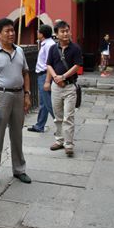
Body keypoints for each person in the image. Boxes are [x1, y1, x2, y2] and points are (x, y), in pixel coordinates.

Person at [0, 18, 31, 189]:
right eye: (7, 31)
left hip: (18, 95)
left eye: (12, 30)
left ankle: (19, 169)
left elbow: (25, 73)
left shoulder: (19, 51)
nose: (11, 34)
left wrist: (27, 94)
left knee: (17, 135)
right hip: (0, 95)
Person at [45, 21, 83, 157]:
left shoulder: (75, 48)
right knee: (58, 116)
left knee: (69, 116)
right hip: (56, 87)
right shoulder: (53, 49)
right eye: (62, 31)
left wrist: (63, 76)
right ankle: (59, 140)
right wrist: (54, 77)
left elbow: (77, 65)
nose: (65, 33)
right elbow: (49, 64)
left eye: (67, 30)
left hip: (69, 87)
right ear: (57, 34)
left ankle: (69, 144)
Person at [27, 24, 56, 133]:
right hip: (42, 75)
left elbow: (50, 63)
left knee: (48, 102)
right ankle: (40, 125)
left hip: (45, 75)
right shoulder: (46, 44)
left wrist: (47, 81)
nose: (37, 33)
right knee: (44, 103)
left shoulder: (49, 45)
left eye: (38, 31)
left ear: (42, 34)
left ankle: (60, 124)